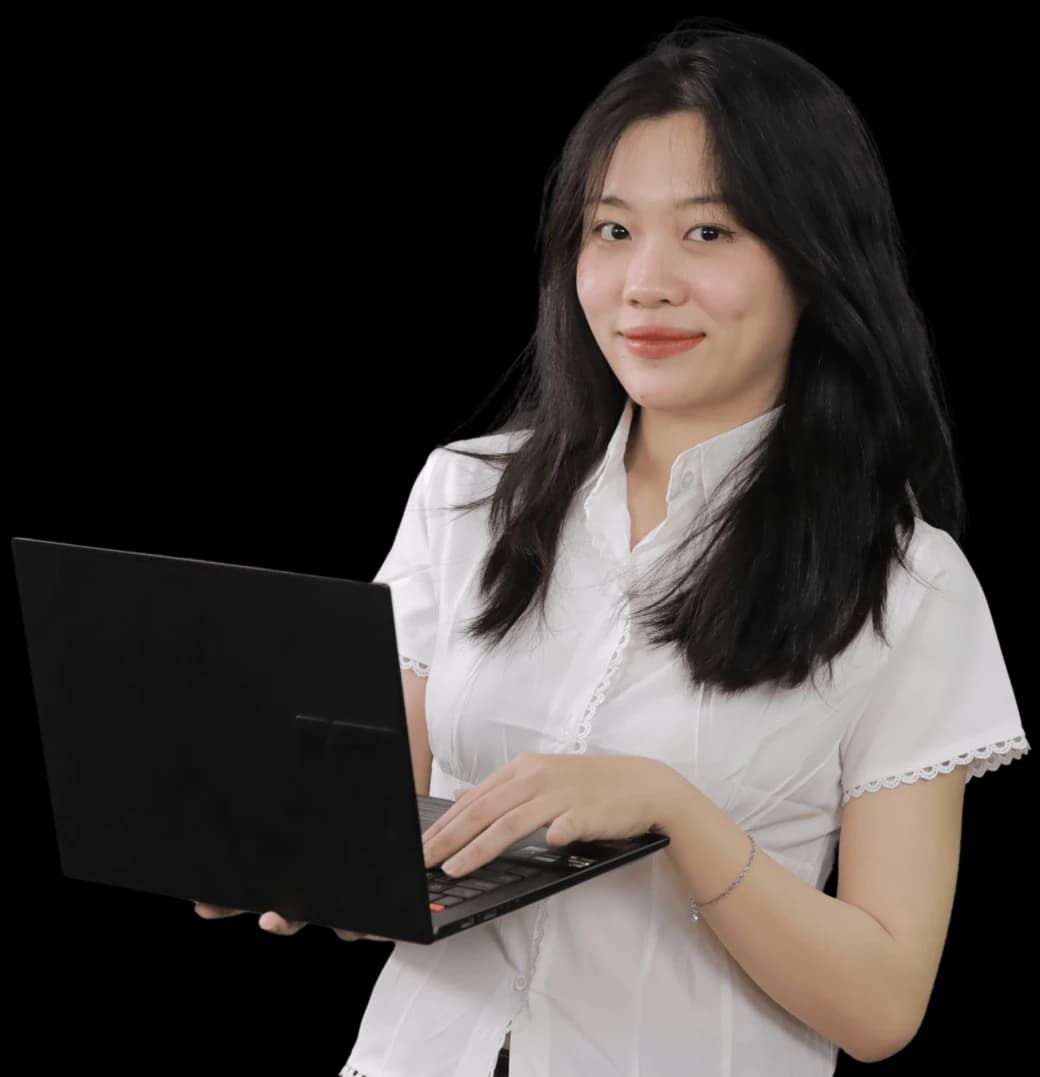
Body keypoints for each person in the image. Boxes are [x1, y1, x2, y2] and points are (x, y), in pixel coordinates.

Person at [198, 17, 1030, 1077]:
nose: (642, 284)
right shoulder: (467, 495)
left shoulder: (907, 587)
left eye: (708, 233)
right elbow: (378, 840)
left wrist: (672, 813)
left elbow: (879, 1007)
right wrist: (271, 855)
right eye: (610, 230)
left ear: (816, 262)